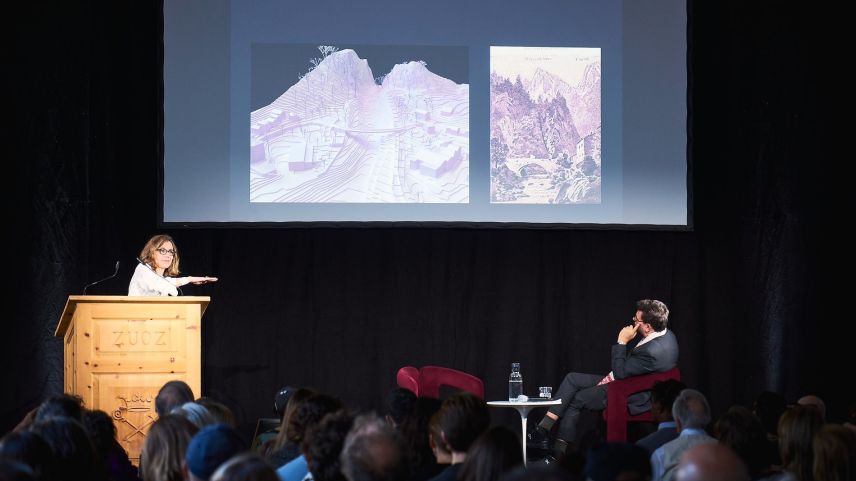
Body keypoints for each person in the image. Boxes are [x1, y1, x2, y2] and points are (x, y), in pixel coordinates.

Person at [528, 299, 679, 459]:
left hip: (630, 393)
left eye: (636, 320)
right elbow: (628, 371)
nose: (633, 321)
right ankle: (542, 430)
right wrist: (609, 378)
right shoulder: (667, 335)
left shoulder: (652, 351)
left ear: (648, 327)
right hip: (627, 380)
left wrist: (622, 341)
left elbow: (620, 374)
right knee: (572, 379)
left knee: (576, 399)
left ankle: (558, 454)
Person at [128, 234, 217, 296]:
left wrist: (189, 279)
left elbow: (166, 281)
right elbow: (166, 286)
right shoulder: (142, 269)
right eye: (162, 250)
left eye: (171, 251)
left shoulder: (160, 278)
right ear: (151, 253)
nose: (168, 255)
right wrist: (187, 280)